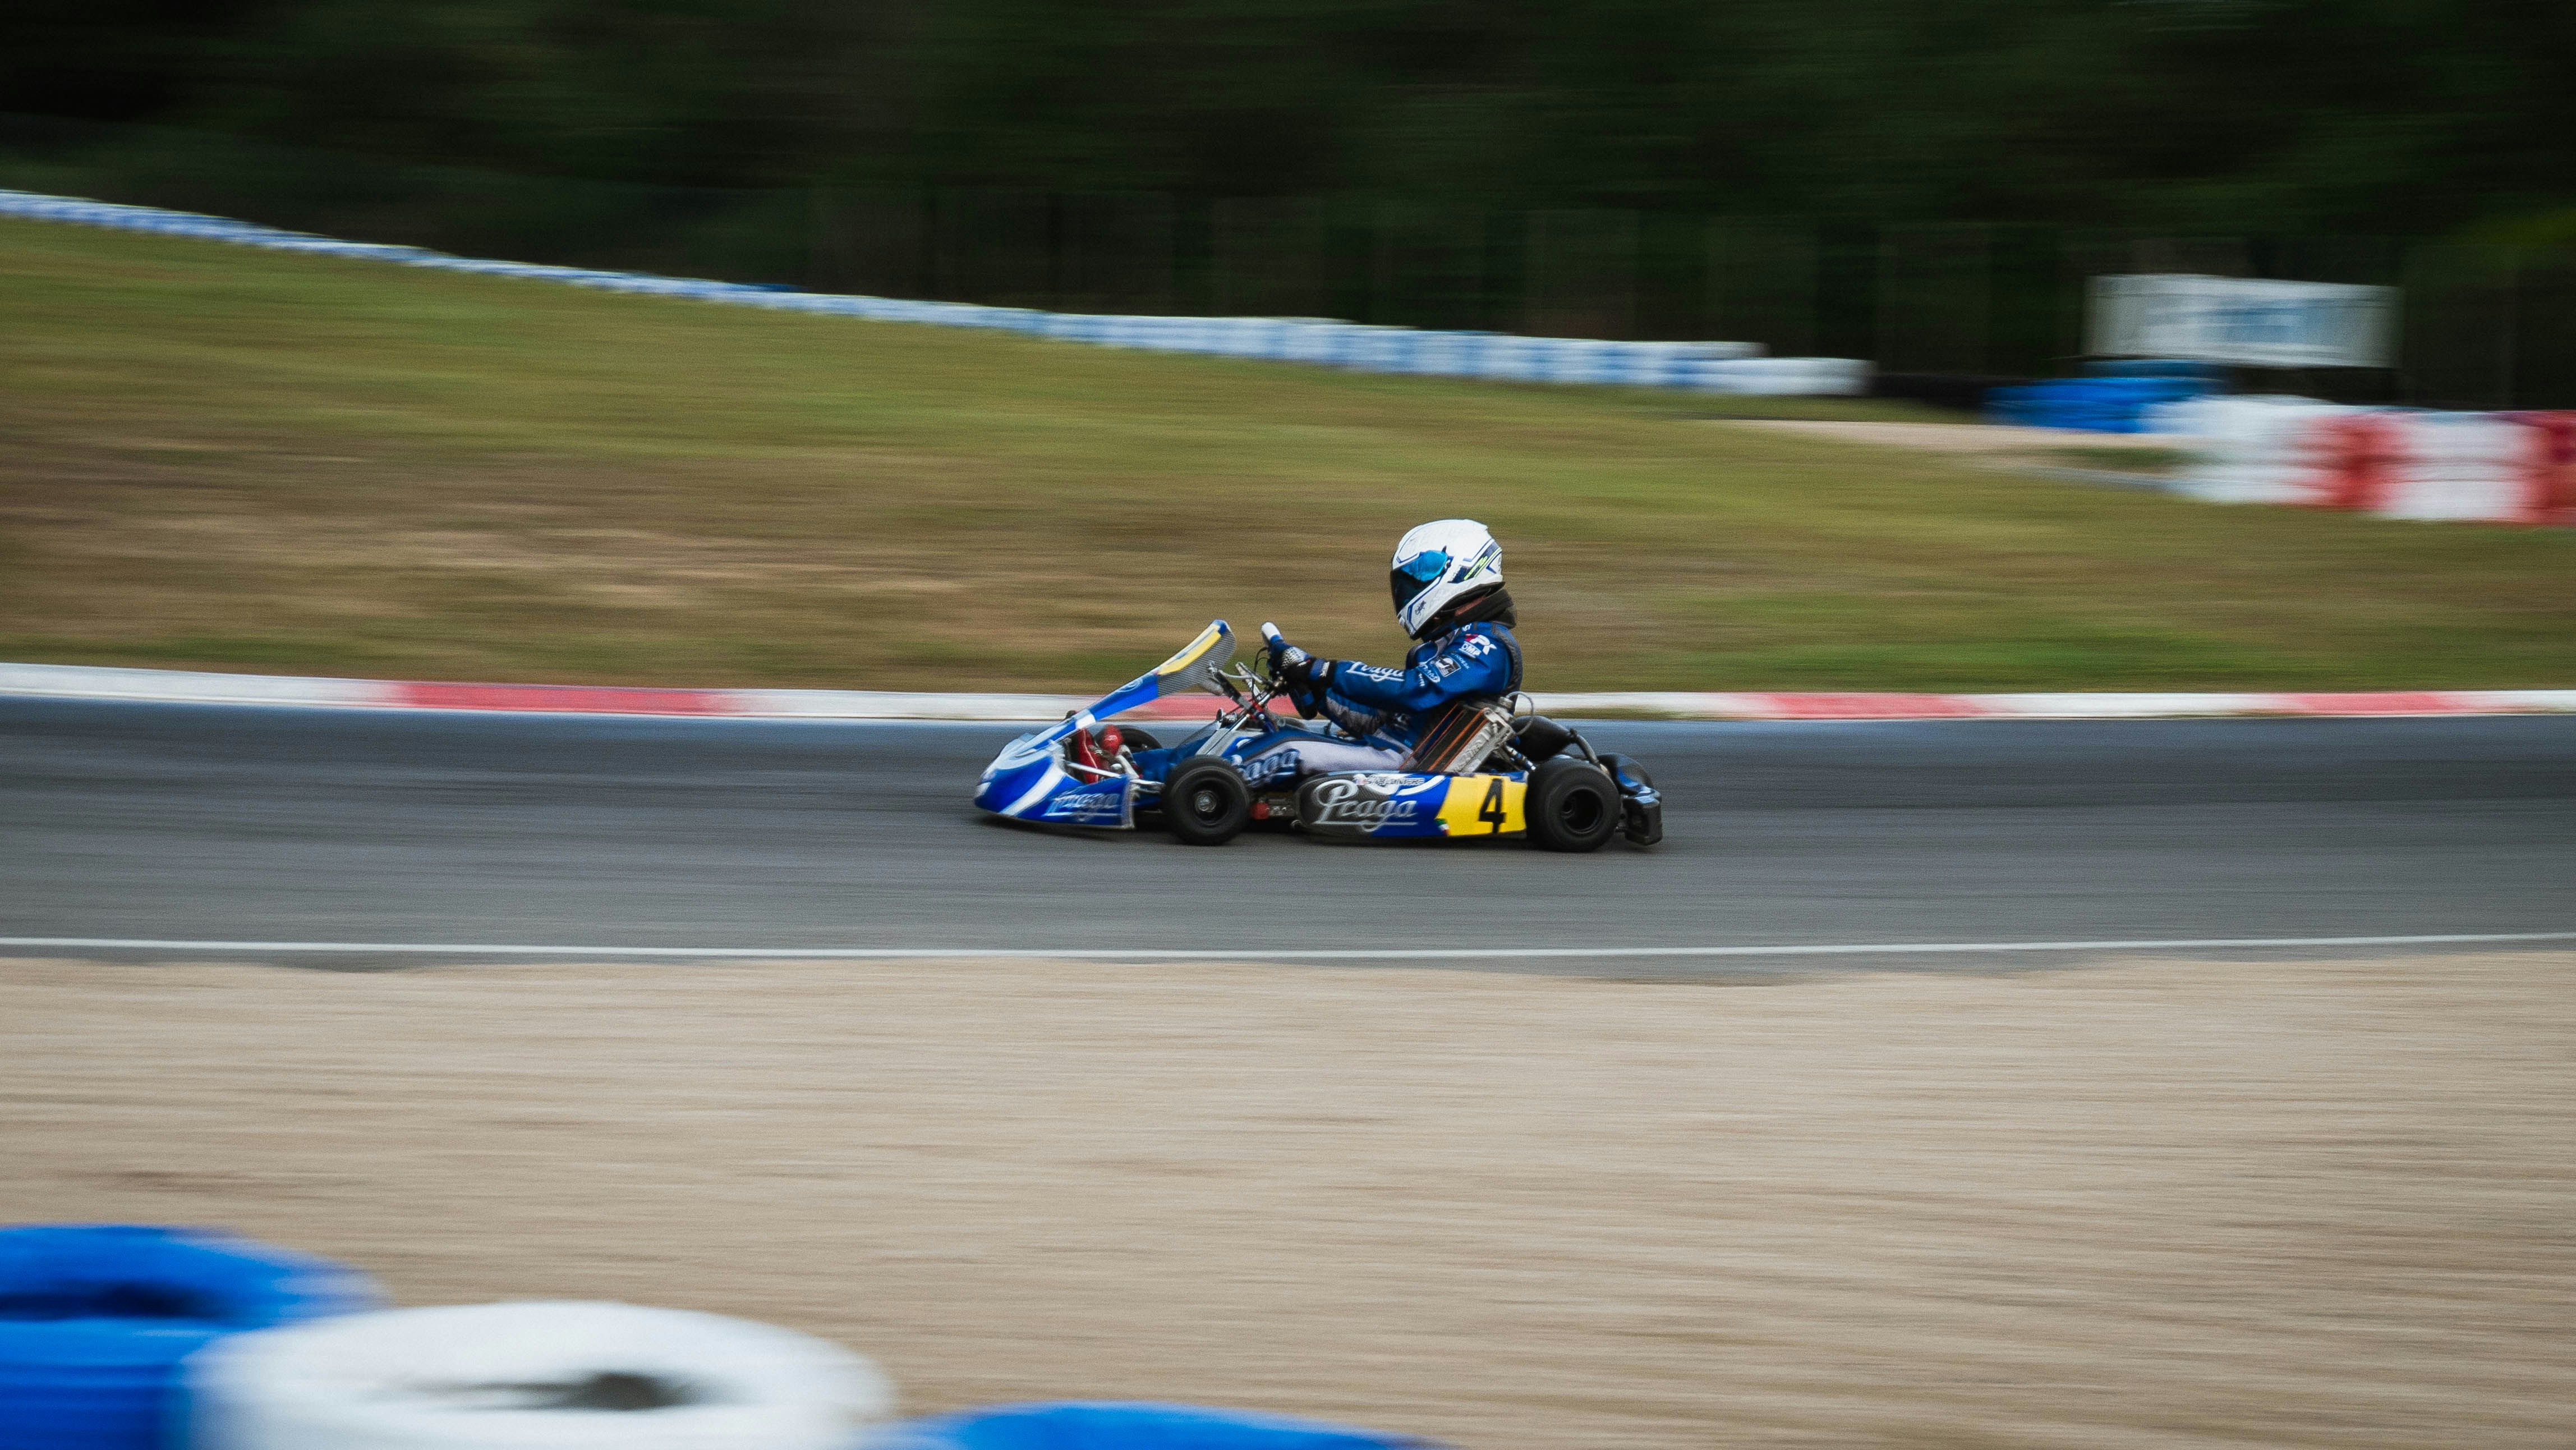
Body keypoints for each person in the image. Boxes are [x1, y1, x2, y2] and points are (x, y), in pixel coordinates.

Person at [1230, 518, 1525, 786]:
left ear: (1463, 568)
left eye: (1420, 574)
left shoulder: (1488, 646)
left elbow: (1414, 689)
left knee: (1288, 746)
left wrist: (1323, 670)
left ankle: (1199, 785)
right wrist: (1320, 690)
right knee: (1252, 739)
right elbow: (1383, 720)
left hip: (1409, 766)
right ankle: (1194, 776)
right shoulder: (1445, 644)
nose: (1408, 588)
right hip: (1389, 751)